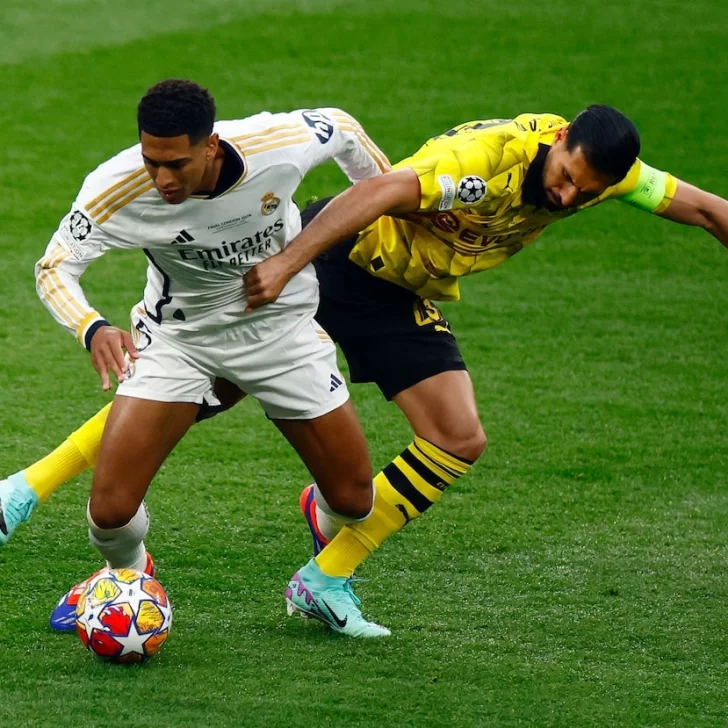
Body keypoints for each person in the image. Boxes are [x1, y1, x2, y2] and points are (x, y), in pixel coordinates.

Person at [4, 106, 727, 634]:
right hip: (333, 264)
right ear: (560, 140)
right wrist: (289, 264)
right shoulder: (484, 163)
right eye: (568, 178)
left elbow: (702, 207)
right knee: (191, 393)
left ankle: (326, 568)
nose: (569, 197)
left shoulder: (609, 171)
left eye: (587, 192)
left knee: (455, 436)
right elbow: (371, 193)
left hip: (397, 292)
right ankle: (26, 492)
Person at [19, 78, 396, 639]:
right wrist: (92, 326)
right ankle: (127, 577)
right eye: (152, 162)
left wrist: (387, 206)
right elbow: (54, 267)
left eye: (177, 164)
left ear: (211, 146)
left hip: (282, 332)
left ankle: (318, 524)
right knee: (110, 512)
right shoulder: (116, 187)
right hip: (180, 341)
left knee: (354, 502)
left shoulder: (277, 144)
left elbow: (343, 127)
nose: (163, 179)